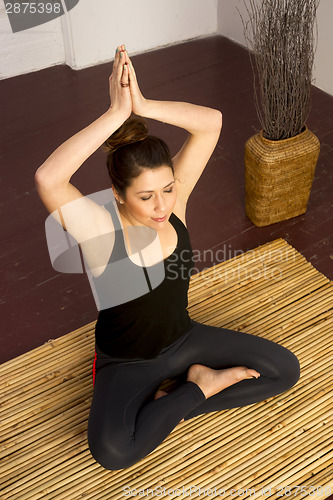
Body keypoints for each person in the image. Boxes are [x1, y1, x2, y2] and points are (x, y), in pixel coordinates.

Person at [35, 45, 300, 471]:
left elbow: (211, 123)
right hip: (128, 362)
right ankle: (195, 390)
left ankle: (179, 396)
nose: (161, 206)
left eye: (168, 188)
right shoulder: (101, 231)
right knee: (113, 453)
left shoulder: (174, 207)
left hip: (183, 340)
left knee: (284, 371)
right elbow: (49, 178)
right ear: (118, 195)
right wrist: (116, 114)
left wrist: (143, 104)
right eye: (145, 196)